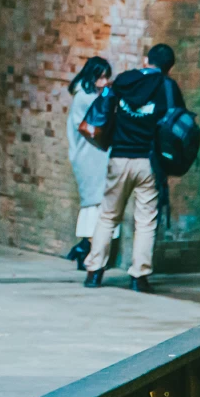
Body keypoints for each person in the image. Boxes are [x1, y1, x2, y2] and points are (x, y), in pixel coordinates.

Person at [82, 43, 183, 291]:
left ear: (146, 60)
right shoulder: (168, 87)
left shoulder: (124, 81)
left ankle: (94, 272)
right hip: (149, 162)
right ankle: (139, 276)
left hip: (119, 157)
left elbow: (106, 109)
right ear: (169, 68)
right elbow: (177, 124)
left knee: (107, 215)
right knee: (146, 221)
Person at [65, 56, 116, 268]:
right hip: (88, 156)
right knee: (93, 202)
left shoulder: (91, 94)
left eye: (106, 77)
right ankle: (86, 249)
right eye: (100, 77)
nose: (104, 82)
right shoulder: (84, 97)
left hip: (95, 154)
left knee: (98, 203)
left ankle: (86, 249)